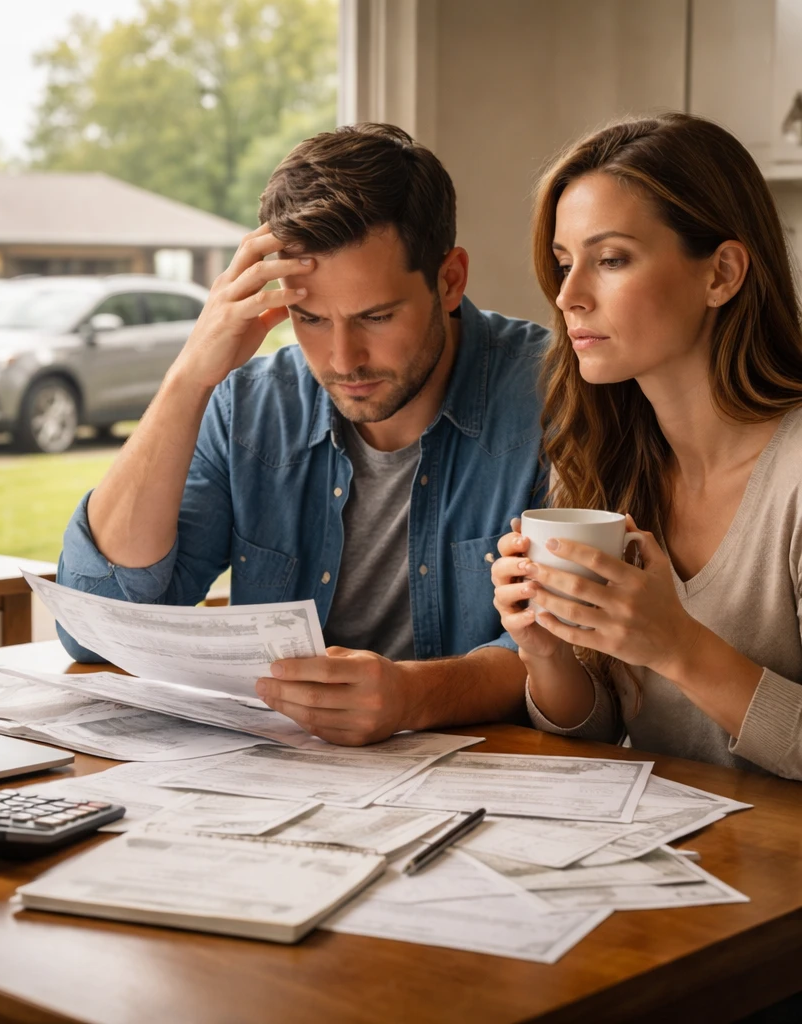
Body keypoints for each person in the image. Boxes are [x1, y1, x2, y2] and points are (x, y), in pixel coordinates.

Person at [57, 122, 548, 745]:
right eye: (309, 318)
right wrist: (187, 380)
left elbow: (572, 654)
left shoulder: (551, 397)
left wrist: (413, 696)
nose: (343, 358)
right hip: (277, 785)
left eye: (375, 316)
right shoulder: (249, 405)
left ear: (449, 280)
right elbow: (97, 627)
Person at [491, 112, 802, 781]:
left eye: (610, 260)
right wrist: (544, 652)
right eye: (563, 264)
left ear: (721, 273)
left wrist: (679, 645)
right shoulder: (607, 458)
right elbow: (601, 727)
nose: (569, 296)